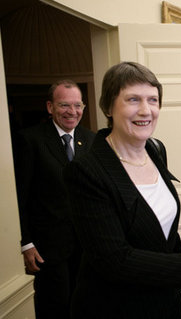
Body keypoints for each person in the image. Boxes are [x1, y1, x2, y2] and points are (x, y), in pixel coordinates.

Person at [63, 62, 181, 319]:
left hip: (164, 301)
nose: (145, 110)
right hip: (115, 307)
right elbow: (114, 261)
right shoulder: (86, 171)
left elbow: (161, 231)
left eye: (153, 100)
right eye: (133, 99)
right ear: (108, 107)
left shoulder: (155, 150)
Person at [13, 79, 95, 319]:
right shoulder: (29, 140)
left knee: (86, 305)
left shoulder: (91, 141)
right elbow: (20, 195)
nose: (72, 112)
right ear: (50, 107)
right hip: (48, 248)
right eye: (64, 105)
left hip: (87, 247)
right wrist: (26, 243)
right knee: (55, 307)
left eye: (77, 105)